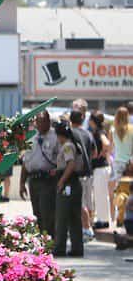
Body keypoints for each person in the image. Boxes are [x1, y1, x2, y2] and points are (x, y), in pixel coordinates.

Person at [20, 111, 58, 238]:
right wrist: (21, 183)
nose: (40, 125)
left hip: (48, 181)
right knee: (37, 213)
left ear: (48, 122)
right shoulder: (32, 138)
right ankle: (41, 241)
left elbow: (62, 160)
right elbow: (26, 162)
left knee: (47, 213)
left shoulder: (55, 137)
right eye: (38, 122)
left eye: (43, 121)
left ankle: (49, 240)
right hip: (33, 180)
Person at [52, 120, 84, 257]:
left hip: (68, 184)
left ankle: (59, 248)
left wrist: (61, 180)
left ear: (60, 135)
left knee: (62, 216)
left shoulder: (67, 146)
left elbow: (70, 165)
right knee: (74, 217)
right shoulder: (74, 144)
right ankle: (77, 248)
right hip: (74, 183)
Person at [69, 109, 94, 241]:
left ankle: (87, 228)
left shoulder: (71, 133)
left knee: (80, 202)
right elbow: (94, 152)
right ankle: (89, 227)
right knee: (88, 202)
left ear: (70, 120)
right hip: (89, 172)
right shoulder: (88, 133)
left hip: (78, 173)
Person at [108, 106, 133, 220]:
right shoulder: (132, 129)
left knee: (118, 192)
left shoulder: (113, 130)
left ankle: (117, 217)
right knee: (129, 191)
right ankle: (127, 215)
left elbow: (110, 149)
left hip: (117, 163)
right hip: (129, 164)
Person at [88, 111, 111, 228]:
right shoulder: (100, 131)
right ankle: (104, 219)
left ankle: (103, 220)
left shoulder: (98, 132)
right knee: (102, 195)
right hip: (102, 168)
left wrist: (100, 153)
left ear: (93, 121)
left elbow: (106, 143)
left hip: (100, 168)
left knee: (100, 195)